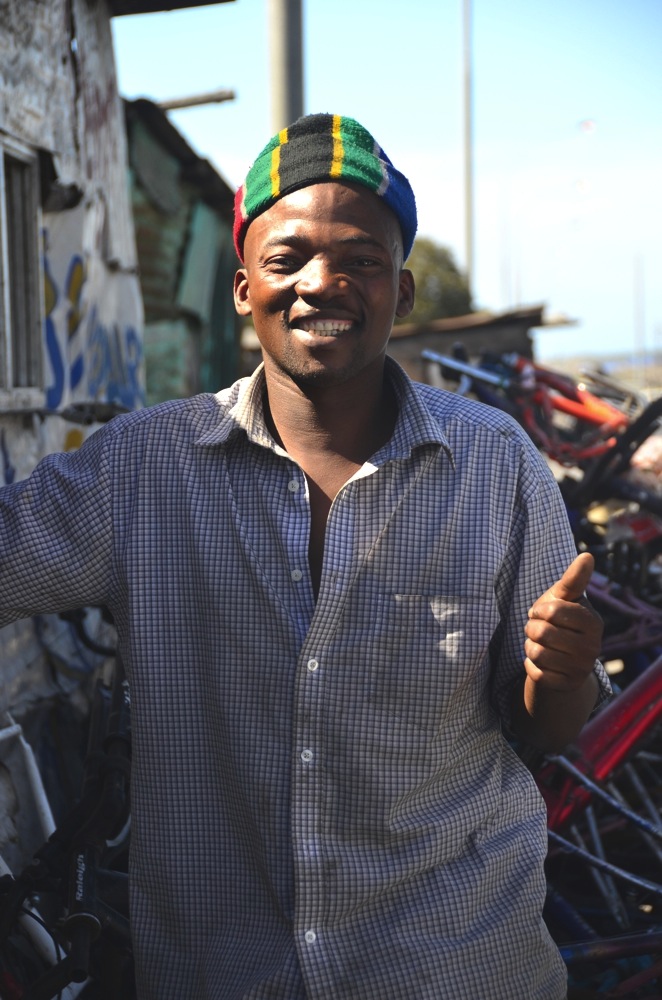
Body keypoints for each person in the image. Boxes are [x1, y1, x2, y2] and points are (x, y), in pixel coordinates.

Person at [0, 113, 607, 999]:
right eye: (286, 260)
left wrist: (563, 673)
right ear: (244, 287)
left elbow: (548, 733)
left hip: (457, 966)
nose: (323, 283)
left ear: (401, 293)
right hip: (223, 973)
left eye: (361, 260)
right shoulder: (141, 469)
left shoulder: (497, 462)